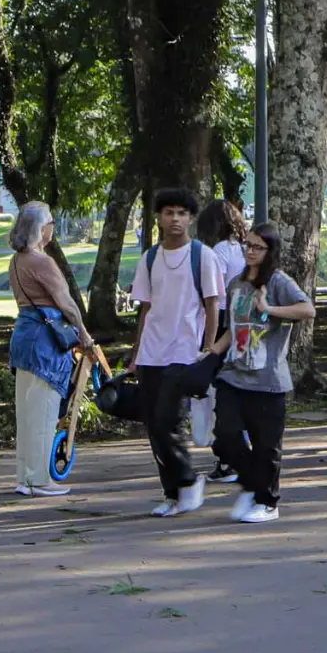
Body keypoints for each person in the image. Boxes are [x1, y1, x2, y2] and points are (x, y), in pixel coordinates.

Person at [208, 223, 315, 524]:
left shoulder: (279, 281)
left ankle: (267, 502)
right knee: (226, 436)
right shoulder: (237, 284)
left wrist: (270, 308)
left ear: (270, 251)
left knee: (267, 446)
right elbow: (233, 328)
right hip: (234, 374)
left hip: (268, 380)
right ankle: (252, 484)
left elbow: (308, 310)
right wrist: (212, 353)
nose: (250, 251)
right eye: (247, 245)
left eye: (257, 247)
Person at [129, 188, 222, 517]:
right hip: (151, 353)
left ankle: (188, 480)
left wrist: (208, 349)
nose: (175, 219)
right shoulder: (150, 258)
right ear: (158, 217)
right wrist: (135, 352)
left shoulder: (203, 256)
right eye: (169, 212)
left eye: (182, 213)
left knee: (169, 420)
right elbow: (146, 308)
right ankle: (172, 493)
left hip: (184, 352)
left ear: (191, 218)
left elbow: (213, 305)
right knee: (154, 426)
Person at [8, 202, 94, 497]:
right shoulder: (42, 262)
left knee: (27, 413)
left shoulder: (17, 260)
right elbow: (67, 303)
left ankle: (25, 477)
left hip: (24, 337)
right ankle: (40, 479)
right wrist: (84, 334)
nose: (53, 228)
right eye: (52, 223)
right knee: (44, 413)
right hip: (45, 342)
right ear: (41, 228)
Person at [195, 199, 248, 483]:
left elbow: (212, 296)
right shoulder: (241, 249)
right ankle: (237, 454)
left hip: (221, 319)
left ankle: (227, 459)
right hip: (241, 319)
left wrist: (207, 341)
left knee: (218, 391)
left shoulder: (215, 253)